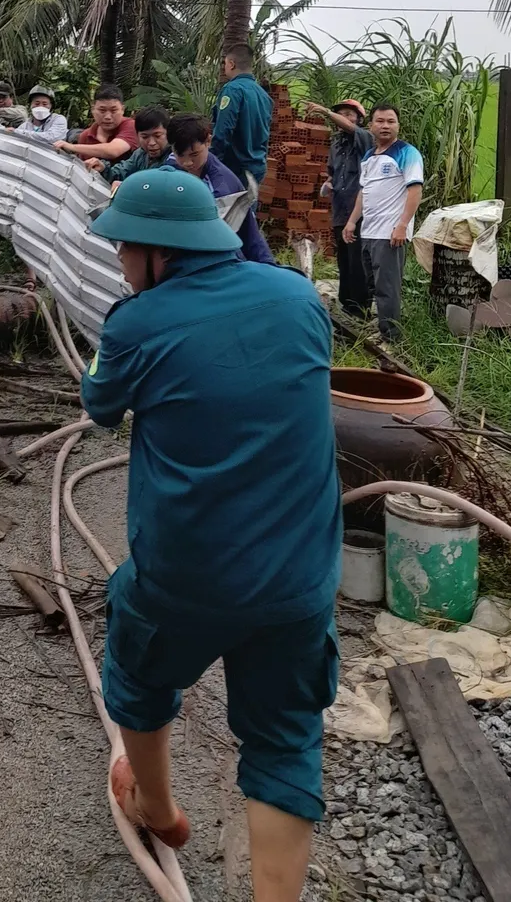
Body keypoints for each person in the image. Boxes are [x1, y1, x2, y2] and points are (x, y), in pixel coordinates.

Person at [81, 171, 340, 902]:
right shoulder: (297, 297)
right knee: (286, 735)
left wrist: (128, 319)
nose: (120, 261)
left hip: (183, 575)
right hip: (299, 582)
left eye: (124, 248)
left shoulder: (135, 323)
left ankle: (156, 806)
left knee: (137, 667)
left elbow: (99, 405)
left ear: (156, 251)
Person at [343, 104, 423, 341]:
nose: (385, 126)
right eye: (380, 121)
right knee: (373, 285)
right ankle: (382, 327)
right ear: (371, 126)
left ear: (398, 125)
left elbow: (415, 190)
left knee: (388, 288)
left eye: (390, 121)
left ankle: (392, 339)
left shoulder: (407, 153)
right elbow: (363, 192)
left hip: (390, 233)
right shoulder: (369, 157)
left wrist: (402, 225)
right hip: (369, 232)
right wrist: (351, 222)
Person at [165, 112, 274, 265]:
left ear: (208, 141)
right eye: (180, 155)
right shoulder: (172, 163)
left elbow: (221, 242)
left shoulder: (222, 188)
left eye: (194, 154)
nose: (187, 162)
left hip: (239, 253)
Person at [305, 99, 374, 317]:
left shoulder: (364, 138)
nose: (344, 117)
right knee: (343, 257)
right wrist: (328, 183)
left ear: (359, 119)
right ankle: (347, 303)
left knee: (357, 258)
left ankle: (361, 307)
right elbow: (332, 172)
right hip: (340, 208)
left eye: (349, 114)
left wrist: (325, 110)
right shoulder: (336, 144)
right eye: (341, 113)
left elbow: (350, 128)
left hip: (359, 209)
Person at [211, 43, 273, 190]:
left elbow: (223, 131)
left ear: (231, 64)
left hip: (235, 169)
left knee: (229, 211)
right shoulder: (264, 95)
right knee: (248, 211)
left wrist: (211, 162)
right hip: (257, 166)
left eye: (225, 63)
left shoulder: (232, 90)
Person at [55, 83, 138, 165]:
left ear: (122, 109)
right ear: (93, 109)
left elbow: (114, 150)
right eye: (102, 110)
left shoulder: (131, 125)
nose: (108, 117)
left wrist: (72, 147)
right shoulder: (85, 136)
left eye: (113, 111)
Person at [102, 106, 170, 183]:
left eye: (157, 136)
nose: (151, 143)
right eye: (145, 137)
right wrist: (103, 169)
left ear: (169, 133)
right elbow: (119, 173)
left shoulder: (175, 157)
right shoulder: (139, 154)